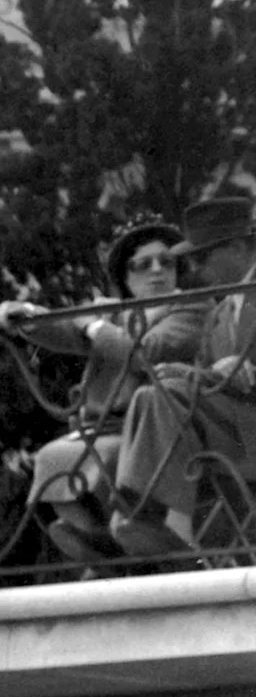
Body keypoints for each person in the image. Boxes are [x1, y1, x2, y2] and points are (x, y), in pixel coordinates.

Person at [0, 216, 201, 561]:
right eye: (143, 264)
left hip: (155, 425)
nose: (157, 271)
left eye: (166, 262)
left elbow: (145, 354)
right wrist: (25, 313)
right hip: (101, 425)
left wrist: (94, 326)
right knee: (53, 457)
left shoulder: (190, 306)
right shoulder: (114, 313)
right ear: (126, 275)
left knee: (104, 456)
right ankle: (102, 546)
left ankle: (133, 544)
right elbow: (64, 327)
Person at [102, 196, 256, 558]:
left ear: (236, 248)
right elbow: (208, 374)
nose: (196, 269)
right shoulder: (220, 313)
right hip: (232, 429)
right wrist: (192, 373)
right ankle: (141, 516)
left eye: (201, 257)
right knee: (154, 391)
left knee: (168, 390)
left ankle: (167, 522)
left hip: (250, 426)